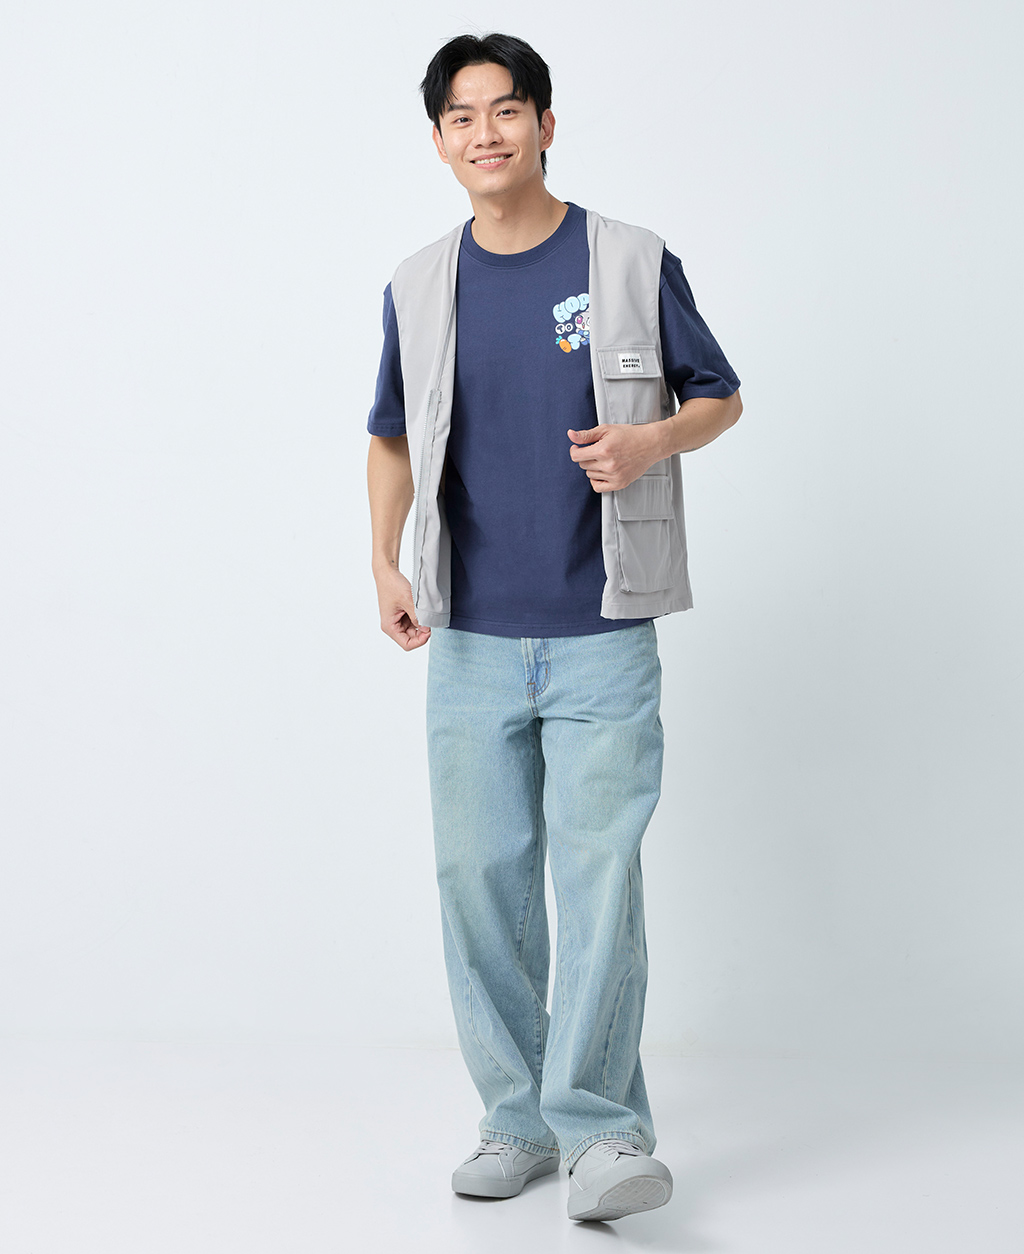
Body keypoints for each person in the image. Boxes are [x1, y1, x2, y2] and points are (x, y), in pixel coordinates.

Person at [366, 32, 741, 1224]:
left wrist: (649, 441)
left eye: (506, 109)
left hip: (602, 628)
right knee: (478, 882)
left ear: (544, 124)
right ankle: (517, 1120)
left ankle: (603, 1132)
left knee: (598, 881)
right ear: (439, 141)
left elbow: (719, 395)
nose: (486, 133)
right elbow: (391, 433)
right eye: (462, 117)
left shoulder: (628, 258)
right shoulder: (419, 283)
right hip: (471, 634)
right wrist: (382, 558)